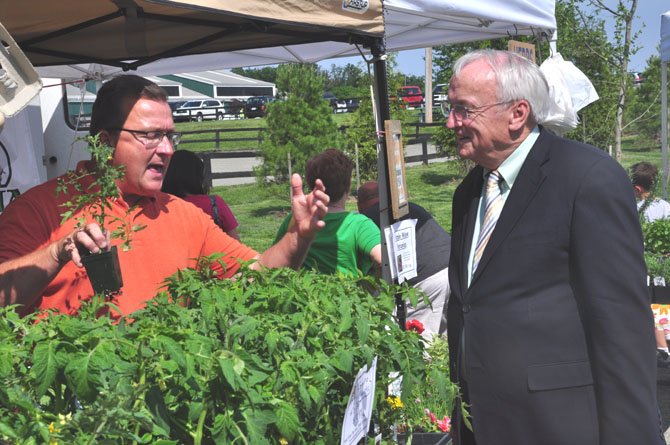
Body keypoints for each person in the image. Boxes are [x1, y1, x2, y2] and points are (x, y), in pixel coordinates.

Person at [445, 50, 662, 445]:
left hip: (559, 424)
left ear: (518, 113)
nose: (450, 122)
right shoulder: (469, 192)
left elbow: (622, 326)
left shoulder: (587, 179)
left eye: (463, 109)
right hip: (482, 424)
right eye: (450, 108)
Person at [0, 75, 329, 316]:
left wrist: (297, 238)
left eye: (170, 135)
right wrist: (55, 253)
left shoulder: (179, 214)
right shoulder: (40, 209)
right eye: (151, 135)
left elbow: (253, 274)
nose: (168, 149)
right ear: (104, 142)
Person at [357, 181, 450, 337]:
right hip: (451, 268)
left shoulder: (367, 219)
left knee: (417, 340)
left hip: (425, 279)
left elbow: (373, 268)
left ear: (360, 203)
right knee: (445, 337)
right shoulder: (408, 206)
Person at [274, 149, 381, 275]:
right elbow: (382, 259)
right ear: (348, 185)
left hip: (303, 292)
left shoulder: (296, 220)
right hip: (346, 293)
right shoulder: (359, 224)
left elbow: (275, 263)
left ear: (311, 184)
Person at [630, 161, 670, 366]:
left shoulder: (633, 209)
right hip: (663, 266)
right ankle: (664, 345)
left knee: (648, 305)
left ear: (637, 188)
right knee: (662, 305)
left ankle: (661, 347)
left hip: (642, 266)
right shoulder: (665, 207)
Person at [162, 149, 240, 240]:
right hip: (211, 253)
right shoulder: (214, 203)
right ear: (198, 175)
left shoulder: (159, 207)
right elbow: (235, 242)